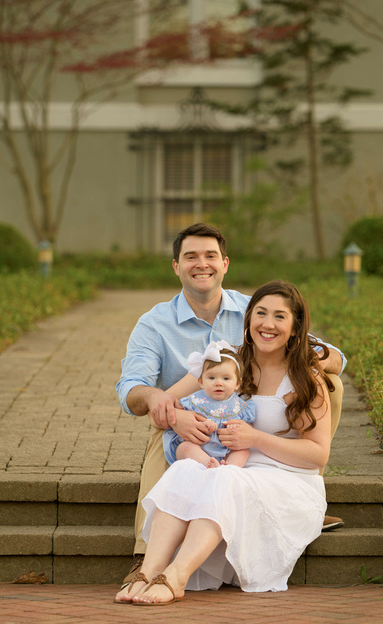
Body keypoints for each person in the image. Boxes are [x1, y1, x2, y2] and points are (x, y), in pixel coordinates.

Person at [115, 223, 346, 601]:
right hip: (212, 444)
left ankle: (175, 576)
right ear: (176, 266)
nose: (266, 324)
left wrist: (313, 359)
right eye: (191, 256)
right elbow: (157, 397)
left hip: (274, 469)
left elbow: (335, 360)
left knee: (329, 385)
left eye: (278, 318)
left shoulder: (287, 352)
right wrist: (171, 412)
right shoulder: (220, 353)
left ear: (224, 264)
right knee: (186, 461)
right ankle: (147, 568)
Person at [163, 340, 256, 469]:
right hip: (200, 447)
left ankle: (230, 468)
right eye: (211, 378)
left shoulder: (240, 405)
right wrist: (202, 424)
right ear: (201, 382)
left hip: (227, 449)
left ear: (237, 384)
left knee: (243, 450)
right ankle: (207, 463)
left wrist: (237, 426)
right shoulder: (195, 401)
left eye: (226, 378)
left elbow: (248, 429)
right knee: (184, 448)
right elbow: (184, 419)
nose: (218, 383)